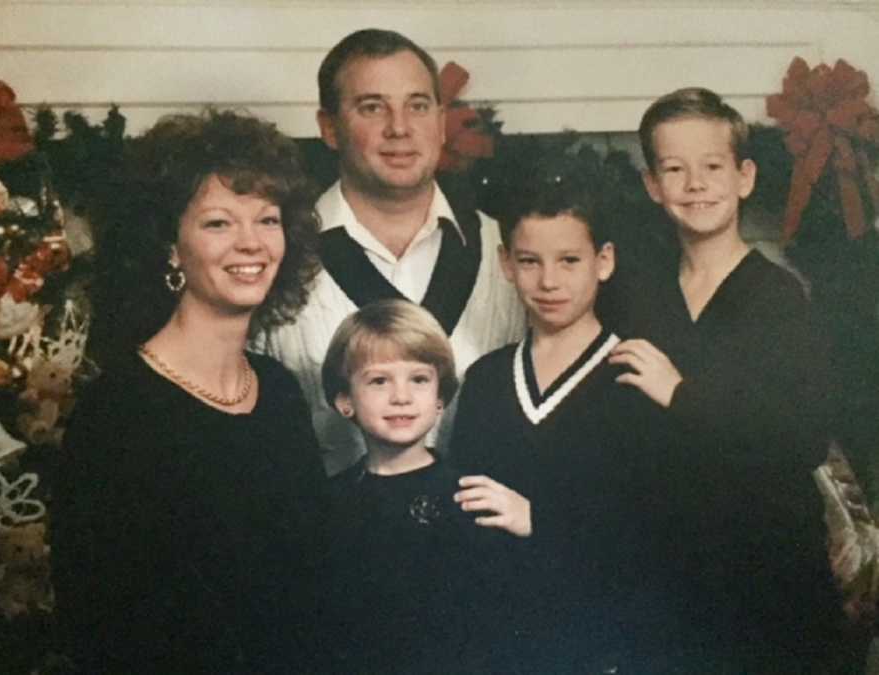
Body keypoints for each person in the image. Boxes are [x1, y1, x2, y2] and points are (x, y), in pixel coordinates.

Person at [52, 110, 326, 674]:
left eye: (267, 220)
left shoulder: (278, 394)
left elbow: (310, 594)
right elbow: (99, 632)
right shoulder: (119, 415)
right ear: (170, 247)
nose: (251, 244)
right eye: (218, 223)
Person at [607, 87, 864, 670]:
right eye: (675, 169)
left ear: (745, 177)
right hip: (674, 579)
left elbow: (796, 439)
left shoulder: (778, 297)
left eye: (713, 166)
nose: (695, 184)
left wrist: (679, 393)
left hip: (769, 578)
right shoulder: (641, 299)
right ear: (653, 185)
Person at [257, 28, 524, 476]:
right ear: (329, 128)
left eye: (417, 105)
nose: (399, 128)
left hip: (485, 539)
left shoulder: (511, 253)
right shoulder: (276, 254)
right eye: (372, 107)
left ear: (440, 122)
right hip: (326, 535)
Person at [448, 176, 674, 672]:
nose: (549, 282)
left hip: (600, 645)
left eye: (569, 261)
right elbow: (465, 520)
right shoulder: (486, 379)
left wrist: (540, 519)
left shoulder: (637, 377)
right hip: (497, 643)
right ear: (506, 264)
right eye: (530, 261)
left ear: (605, 261)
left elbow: (655, 533)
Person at [317, 299, 513, 674]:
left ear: (440, 400)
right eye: (379, 381)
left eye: (419, 379)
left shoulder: (472, 496)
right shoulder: (329, 503)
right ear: (345, 400)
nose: (401, 397)